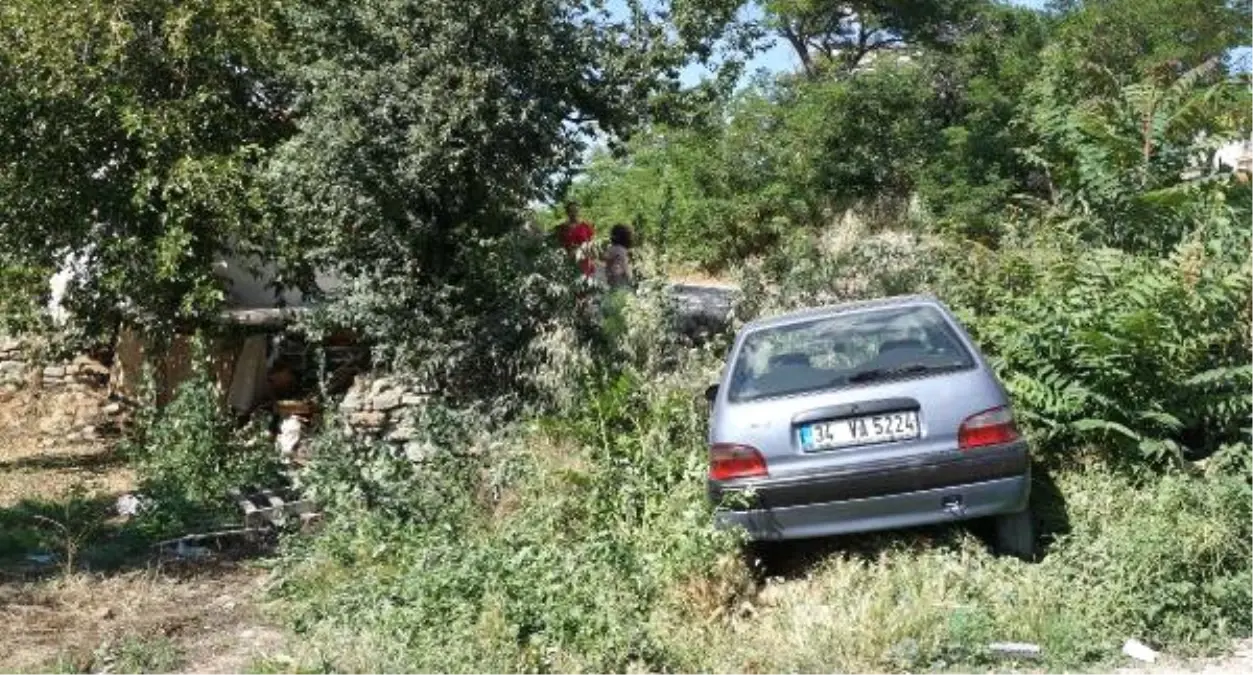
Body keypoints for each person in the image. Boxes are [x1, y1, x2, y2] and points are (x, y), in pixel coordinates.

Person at [554, 201, 596, 277]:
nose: (574, 213)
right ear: (567, 212)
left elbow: (591, 242)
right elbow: (558, 245)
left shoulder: (585, 226)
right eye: (571, 211)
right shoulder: (562, 228)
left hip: (584, 261)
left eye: (576, 211)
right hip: (567, 261)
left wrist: (591, 252)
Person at [602, 224, 634, 290]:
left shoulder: (612, 249)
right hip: (621, 276)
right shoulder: (623, 250)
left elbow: (605, 257)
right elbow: (625, 265)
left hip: (613, 276)